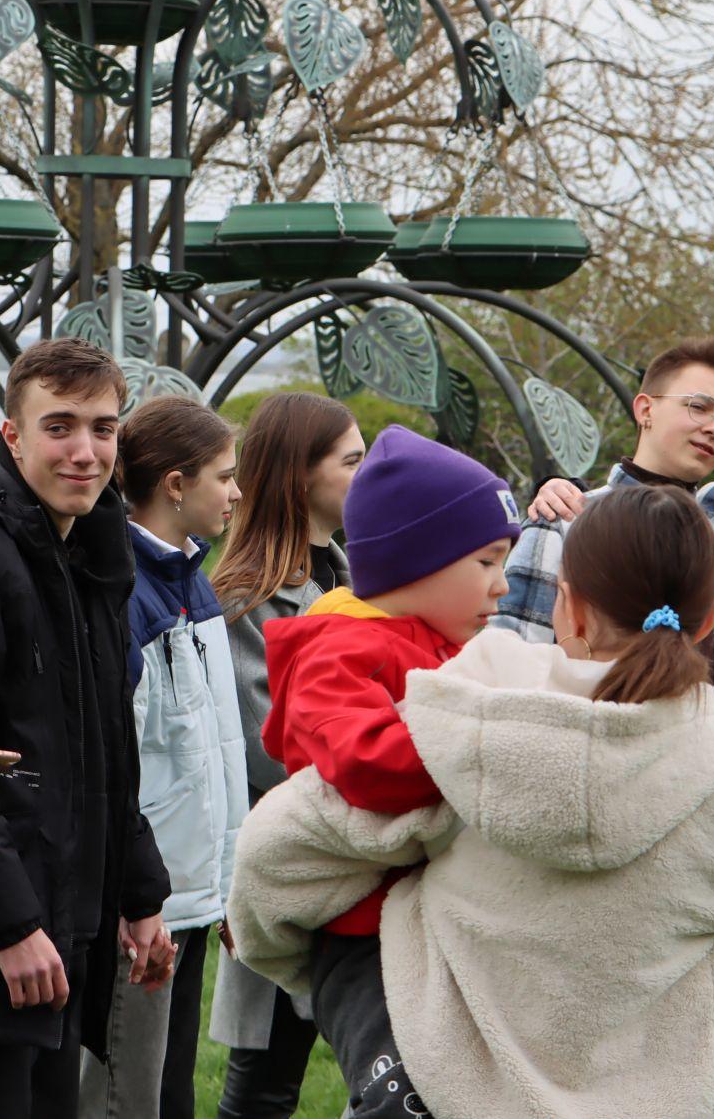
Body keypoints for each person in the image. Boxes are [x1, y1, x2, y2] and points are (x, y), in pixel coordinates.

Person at [227, 483, 714, 1119]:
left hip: (445, 1089)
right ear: (710, 618)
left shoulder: (473, 726)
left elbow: (275, 859)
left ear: (570, 609)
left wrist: (318, 978)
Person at [0, 338, 175, 1119]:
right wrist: (10, 924)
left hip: (67, 932)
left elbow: (104, 745)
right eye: (60, 427)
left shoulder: (87, 547)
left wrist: (139, 889)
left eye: (103, 428)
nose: (85, 451)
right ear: (11, 435)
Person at [496, 334, 714, 1117]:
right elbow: (519, 661)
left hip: (706, 795)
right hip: (594, 796)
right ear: (645, 408)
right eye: (699, 405)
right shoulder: (568, 519)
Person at [259, 424, 521, 1113]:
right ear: (417, 560)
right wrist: (488, 743)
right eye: (488, 560)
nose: (503, 583)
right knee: (398, 1097)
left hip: (443, 919)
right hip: (361, 938)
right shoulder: (336, 653)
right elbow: (364, 761)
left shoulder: (451, 642)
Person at [80, 397, 249, 1119]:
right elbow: (121, 766)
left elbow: (218, 752)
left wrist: (229, 880)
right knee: (127, 1099)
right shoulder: (126, 596)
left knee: (171, 1091)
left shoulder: (194, 582)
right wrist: (133, 894)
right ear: (175, 484)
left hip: (188, 896)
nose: (237, 492)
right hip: (143, 907)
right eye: (224, 476)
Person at [205, 391, 364, 1118]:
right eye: (352, 461)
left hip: (354, 863)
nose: (367, 476)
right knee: (265, 1083)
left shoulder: (351, 579)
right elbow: (268, 750)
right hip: (289, 865)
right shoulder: (244, 599)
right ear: (301, 476)